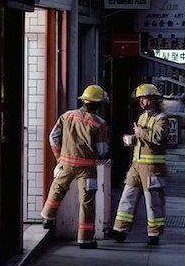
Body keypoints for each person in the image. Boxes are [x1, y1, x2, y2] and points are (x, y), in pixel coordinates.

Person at [41, 84, 109, 249]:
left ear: (84, 100)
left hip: (65, 163)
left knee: (57, 189)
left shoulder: (67, 116)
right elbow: (102, 151)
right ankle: (85, 239)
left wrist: (59, 157)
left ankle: (47, 218)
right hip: (87, 169)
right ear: (97, 104)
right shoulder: (99, 123)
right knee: (87, 202)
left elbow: (53, 137)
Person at [110, 83, 169, 245]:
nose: (144, 102)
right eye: (142, 99)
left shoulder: (162, 119)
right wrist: (131, 139)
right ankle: (120, 231)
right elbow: (142, 136)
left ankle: (153, 235)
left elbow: (158, 137)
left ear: (155, 100)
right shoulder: (142, 117)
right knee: (127, 197)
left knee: (153, 203)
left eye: (147, 99)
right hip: (136, 165)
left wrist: (139, 133)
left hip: (152, 168)